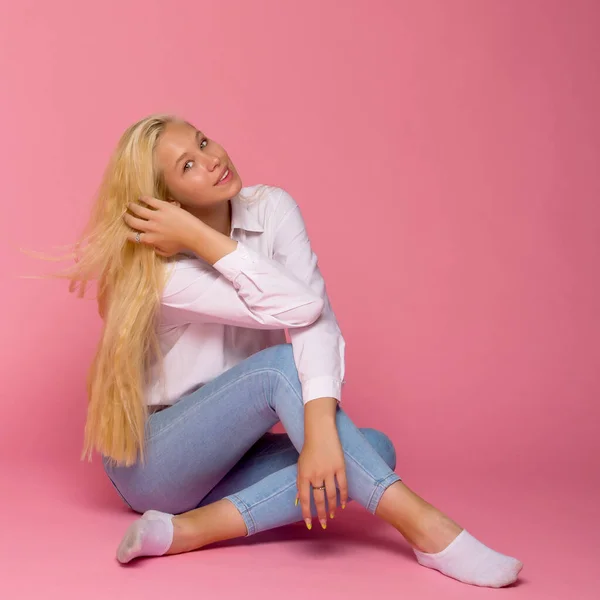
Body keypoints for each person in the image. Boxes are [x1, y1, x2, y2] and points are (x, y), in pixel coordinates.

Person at [57, 114, 523, 587]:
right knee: (281, 370)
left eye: (203, 141)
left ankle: (186, 530)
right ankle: (428, 529)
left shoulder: (271, 209)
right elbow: (300, 305)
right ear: (168, 202)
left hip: (234, 458)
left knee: (371, 450)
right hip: (154, 462)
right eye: (189, 165)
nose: (213, 158)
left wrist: (319, 429)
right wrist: (199, 237)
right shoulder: (159, 271)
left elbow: (317, 323)